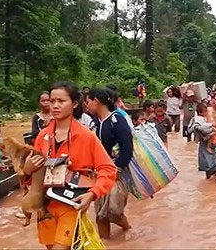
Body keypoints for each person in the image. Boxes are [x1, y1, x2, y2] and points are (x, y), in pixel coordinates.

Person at [23, 82, 117, 249]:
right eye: (52, 101)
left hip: (71, 203)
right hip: (45, 205)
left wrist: (92, 194)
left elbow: (108, 169)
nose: (55, 106)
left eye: (61, 101)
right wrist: (27, 170)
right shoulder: (43, 136)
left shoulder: (86, 136)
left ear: (74, 104)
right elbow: (33, 179)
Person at [87, 88, 134, 239]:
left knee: (114, 212)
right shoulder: (93, 124)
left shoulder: (117, 120)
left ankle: (127, 229)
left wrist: (117, 168)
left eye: (88, 102)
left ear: (96, 101)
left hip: (117, 173)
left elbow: (127, 147)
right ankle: (105, 244)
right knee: (101, 215)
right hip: (98, 174)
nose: (86, 106)